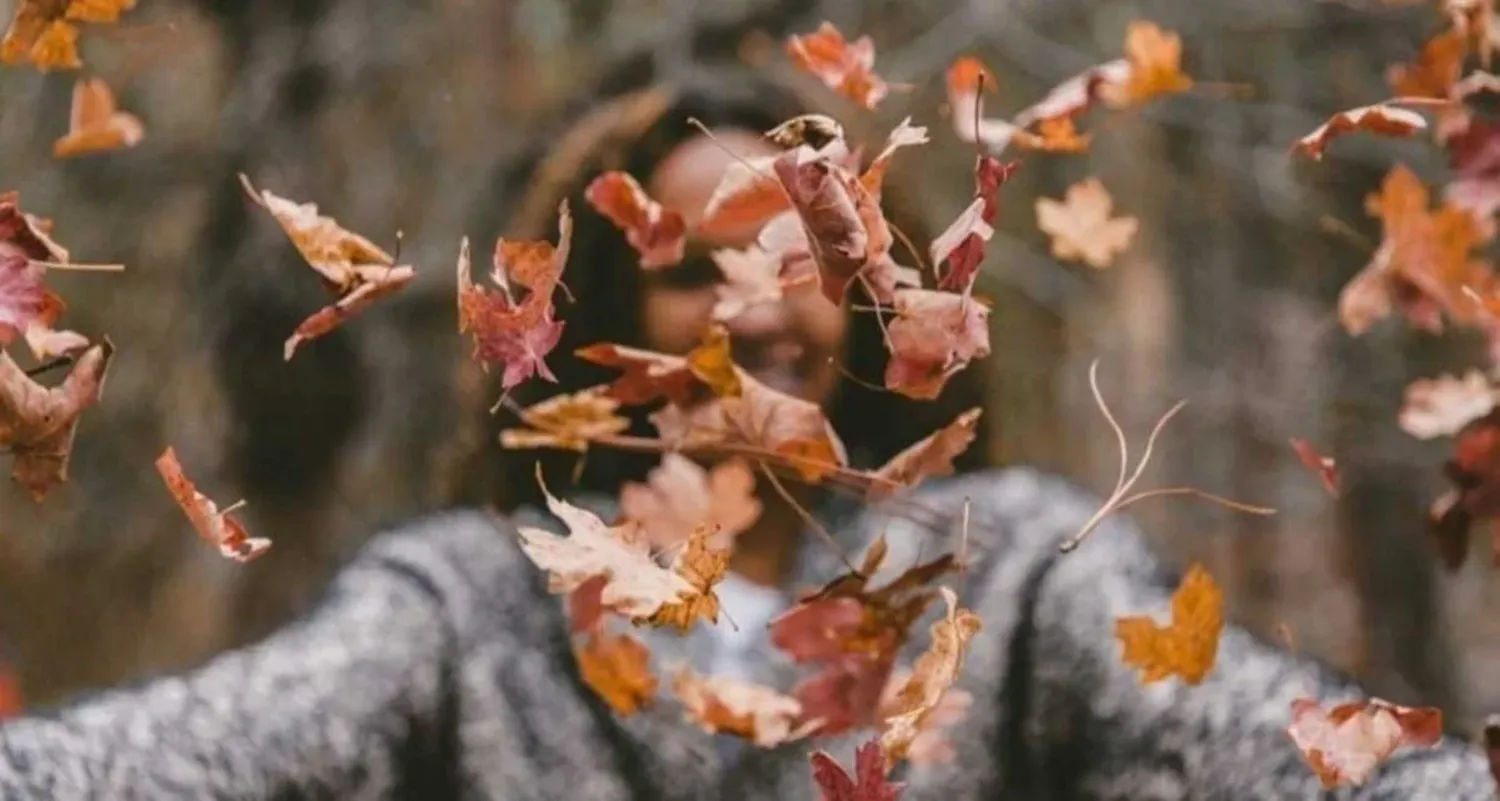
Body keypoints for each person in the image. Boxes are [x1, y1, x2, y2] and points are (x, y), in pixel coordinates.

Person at [0, 63, 1490, 801]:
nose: (756, 306)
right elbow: (209, 746)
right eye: (692, 262)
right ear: (596, 318)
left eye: (797, 259)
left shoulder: (1016, 572)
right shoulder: (472, 605)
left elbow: (1279, 744)